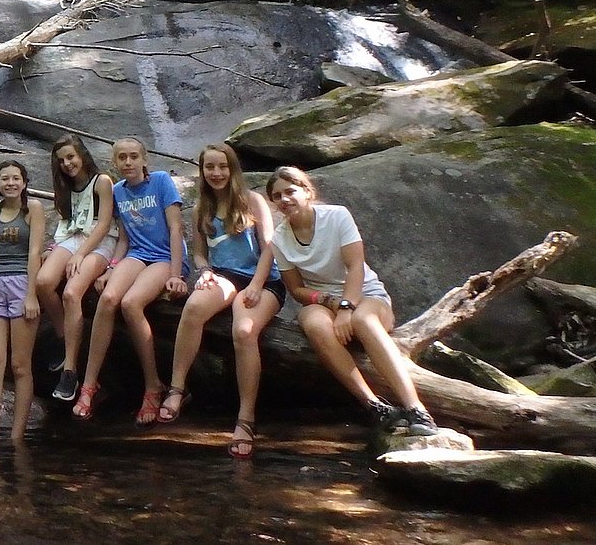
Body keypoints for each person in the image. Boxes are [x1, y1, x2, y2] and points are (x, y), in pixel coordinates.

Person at [266, 165, 439, 437]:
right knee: (313, 323)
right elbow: (296, 289)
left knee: (362, 320)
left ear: (307, 192)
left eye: (290, 192)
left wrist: (346, 307)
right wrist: (329, 302)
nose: (284, 200)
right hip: (324, 303)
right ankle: (374, 406)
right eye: (277, 196)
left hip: (365, 295)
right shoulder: (279, 238)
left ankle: (416, 408)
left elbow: (356, 265)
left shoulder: (337, 216)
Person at [167, 144, 284, 457]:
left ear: (232, 169)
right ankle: (178, 388)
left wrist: (257, 286)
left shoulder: (253, 201)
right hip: (223, 276)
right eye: (209, 168)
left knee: (243, 331)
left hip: (264, 279)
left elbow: (269, 248)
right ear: (202, 171)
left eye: (222, 167)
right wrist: (204, 270)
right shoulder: (200, 209)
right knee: (193, 307)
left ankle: (246, 418)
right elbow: (200, 252)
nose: (216, 173)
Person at [73, 138, 186, 422]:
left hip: (163, 257)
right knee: (109, 297)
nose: (128, 162)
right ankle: (89, 384)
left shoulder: (161, 181)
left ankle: (152, 386)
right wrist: (111, 267)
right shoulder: (118, 191)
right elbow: (124, 238)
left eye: (134, 156)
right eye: (122, 158)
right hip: (136, 254)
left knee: (131, 303)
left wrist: (175, 274)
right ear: (115, 162)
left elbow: (175, 229)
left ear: (145, 159)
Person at [32, 135, 118, 402]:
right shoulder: (66, 187)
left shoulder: (101, 182)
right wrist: (53, 249)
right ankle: (63, 334)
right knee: (44, 281)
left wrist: (80, 255)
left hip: (100, 241)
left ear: (81, 155)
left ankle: (70, 369)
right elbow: (67, 222)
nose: (67, 164)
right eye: (61, 160)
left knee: (71, 293)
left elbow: (103, 224)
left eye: (71, 157)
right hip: (72, 237)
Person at [0, 160, 45, 445]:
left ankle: (17, 438)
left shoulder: (34, 210)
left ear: (24, 182)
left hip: (21, 284)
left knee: (20, 365)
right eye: (4, 179)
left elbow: (35, 253)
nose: (10, 183)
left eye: (16, 178)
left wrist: (32, 294)